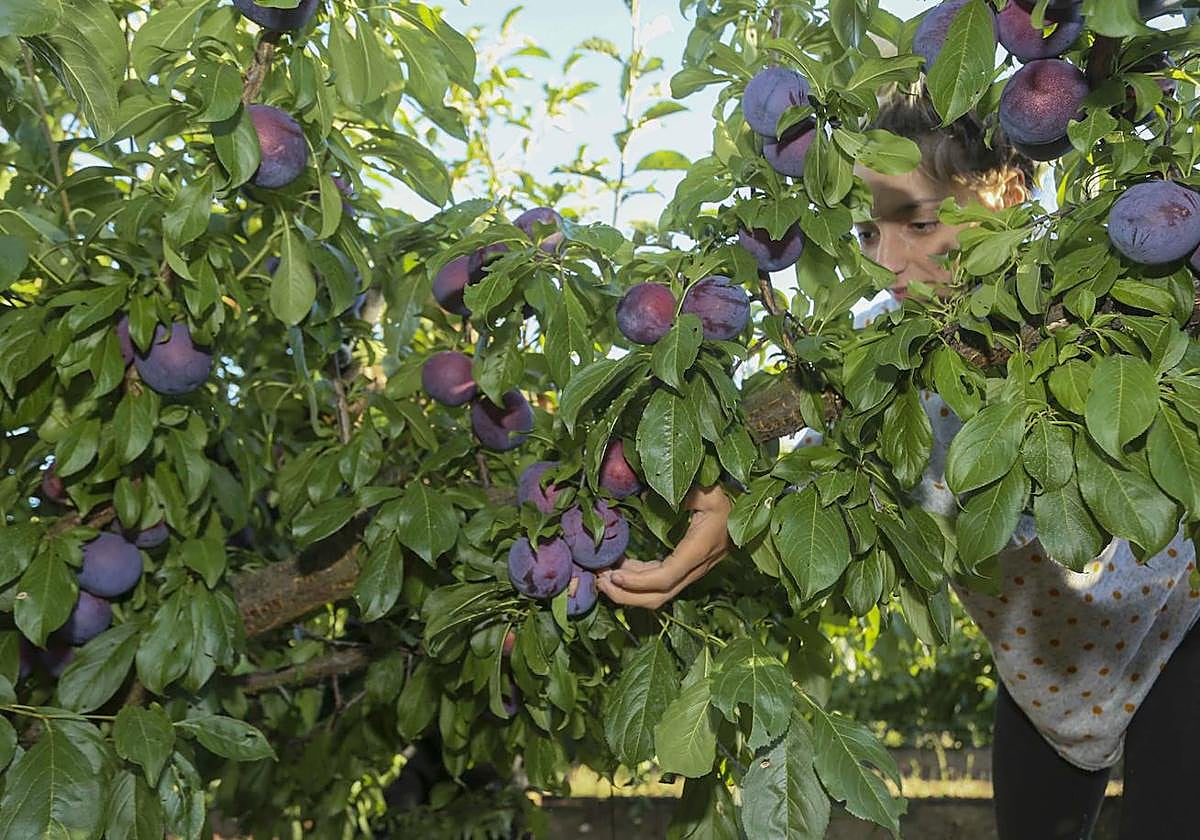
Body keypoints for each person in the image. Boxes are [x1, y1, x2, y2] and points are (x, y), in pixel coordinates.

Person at [596, 86, 1200, 840]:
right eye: (865, 232)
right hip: (1041, 673)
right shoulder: (882, 359)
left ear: (1007, 193)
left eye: (916, 221)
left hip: (1176, 625)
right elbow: (801, 477)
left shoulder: (1088, 297)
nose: (887, 258)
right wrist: (724, 503)